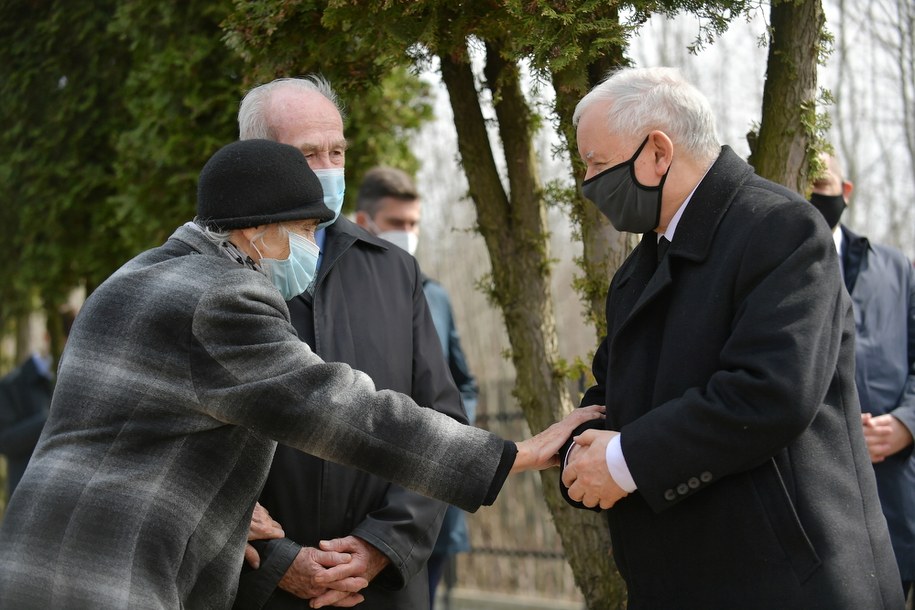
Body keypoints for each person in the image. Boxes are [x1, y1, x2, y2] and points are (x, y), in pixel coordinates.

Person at [0, 138, 602, 609]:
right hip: (111, 576)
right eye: (307, 231)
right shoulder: (225, 296)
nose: (315, 247)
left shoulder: (133, 277)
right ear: (255, 230)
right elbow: (342, 412)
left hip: (35, 557)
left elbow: (138, 435)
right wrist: (513, 455)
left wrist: (234, 511)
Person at [558, 67, 903, 608]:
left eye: (598, 164)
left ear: (658, 152)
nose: (589, 182)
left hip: (786, 585)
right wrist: (578, 455)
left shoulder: (780, 230)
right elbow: (616, 394)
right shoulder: (638, 270)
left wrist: (624, 461)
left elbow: (770, 393)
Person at [233, 77, 467, 610]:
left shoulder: (394, 271)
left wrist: (382, 544)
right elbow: (178, 438)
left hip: (380, 588)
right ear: (258, 160)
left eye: (336, 152)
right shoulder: (211, 273)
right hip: (254, 587)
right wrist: (277, 560)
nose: (327, 168)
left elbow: (442, 421)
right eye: (308, 154)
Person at [354, 166, 478, 607]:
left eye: (414, 224)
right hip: (366, 497)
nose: (407, 233)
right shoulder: (343, 293)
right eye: (396, 223)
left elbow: (462, 383)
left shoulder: (435, 296)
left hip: (432, 497)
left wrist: (454, 436)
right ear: (364, 221)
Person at [809, 152, 915, 604]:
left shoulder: (897, 267)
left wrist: (907, 423)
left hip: (895, 497)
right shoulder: (766, 268)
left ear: (845, 191)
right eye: (801, 185)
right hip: (815, 502)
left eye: (821, 183)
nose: (811, 196)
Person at [0, 308, 74, 504]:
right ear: (48, 337)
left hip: (65, 499)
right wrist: (52, 418)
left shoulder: (74, 384)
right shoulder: (13, 384)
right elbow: (5, 441)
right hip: (26, 499)